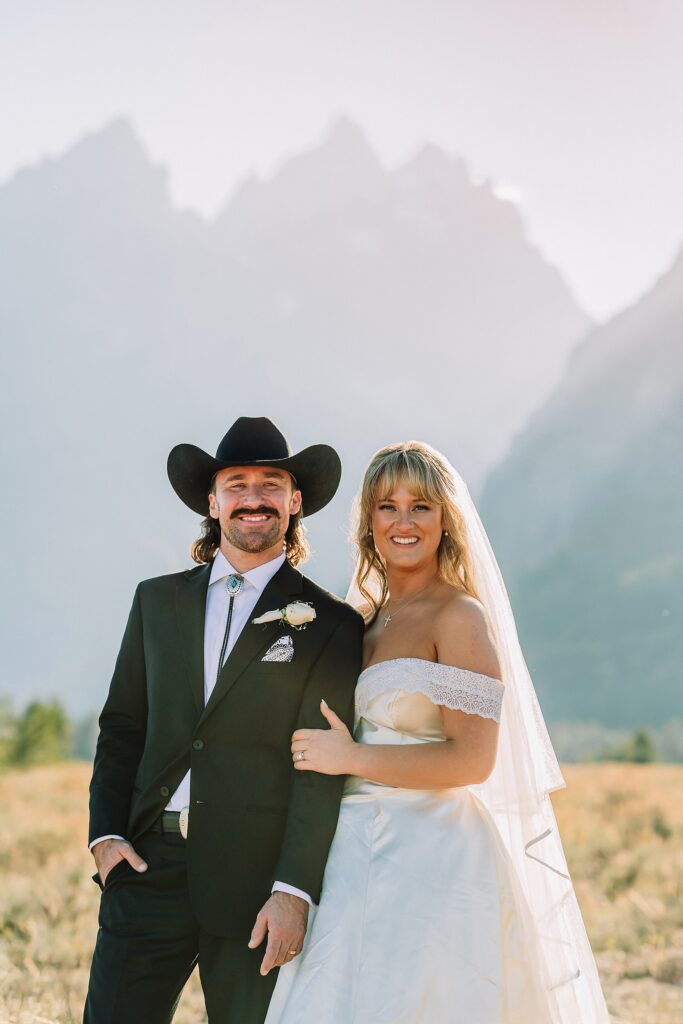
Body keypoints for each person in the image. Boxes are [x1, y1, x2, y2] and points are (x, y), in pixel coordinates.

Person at [265, 440, 610, 1024]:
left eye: (420, 506)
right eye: (388, 506)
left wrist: (350, 757)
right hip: (347, 855)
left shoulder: (459, 616)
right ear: (368, 521)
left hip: (432, 857)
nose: (404, 522)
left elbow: (472, 761)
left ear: (445, 520)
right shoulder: (363, 621)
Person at [83, 416, 364, 1024]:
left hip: (256, 885)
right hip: (146, 867)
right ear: (212, 503)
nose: (252, 498)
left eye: (270, 484)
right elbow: (123, 727)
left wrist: (293, 891)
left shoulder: (331, 624)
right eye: (236, 484)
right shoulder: (155, 601)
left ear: (295, 501)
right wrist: (105, 837)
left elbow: (319, 767)